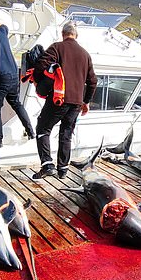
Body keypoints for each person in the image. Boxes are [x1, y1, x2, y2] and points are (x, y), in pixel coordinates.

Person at [32, 21, 97, 180]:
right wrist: (85, 101)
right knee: (66, 134)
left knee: (43, 129)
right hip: (76, 102)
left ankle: (47, 165)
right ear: (76, 35)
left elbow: (41, 65)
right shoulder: (85, 54)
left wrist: (39, 82)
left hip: (58, 99)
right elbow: (93, 81)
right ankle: (63, 170)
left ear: (63, 34)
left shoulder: (57, 47)